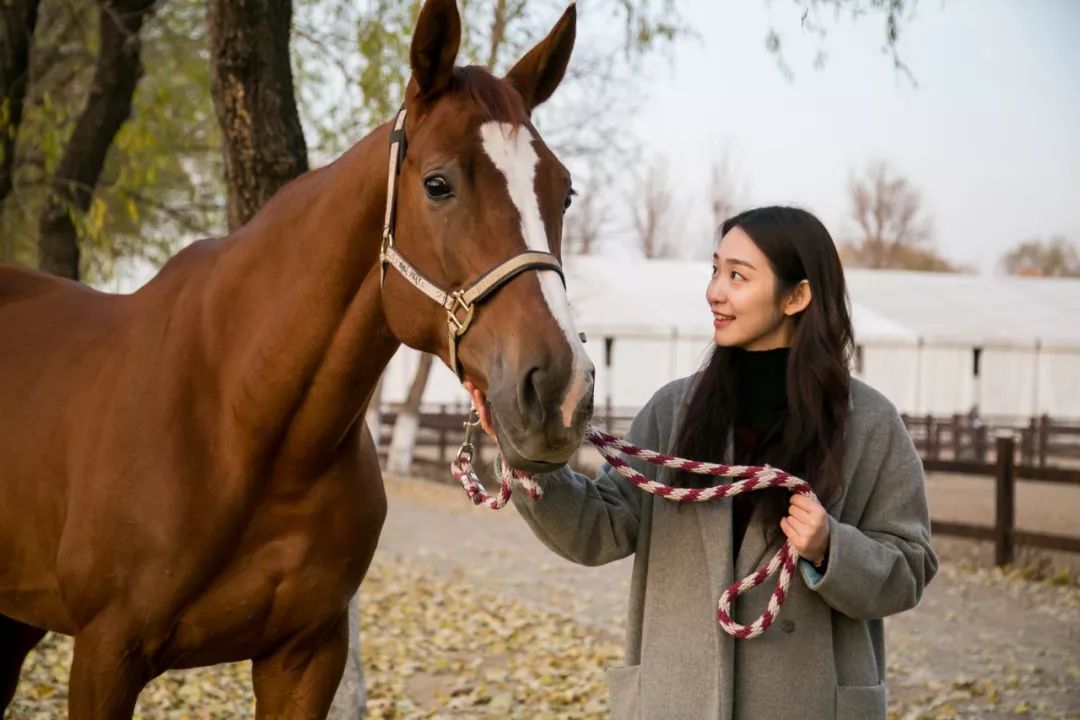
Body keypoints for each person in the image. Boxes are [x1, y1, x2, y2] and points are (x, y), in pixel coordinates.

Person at [463, 205, 938, 720]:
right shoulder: (675, 411)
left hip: (812, 704)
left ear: (796, 296)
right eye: (715, 270)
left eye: (738, 276)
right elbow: (598, 529)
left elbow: (910, 565)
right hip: (676, 699)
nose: (715, 291)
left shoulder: (868, 423)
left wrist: (831, 549)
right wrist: (525, 452)